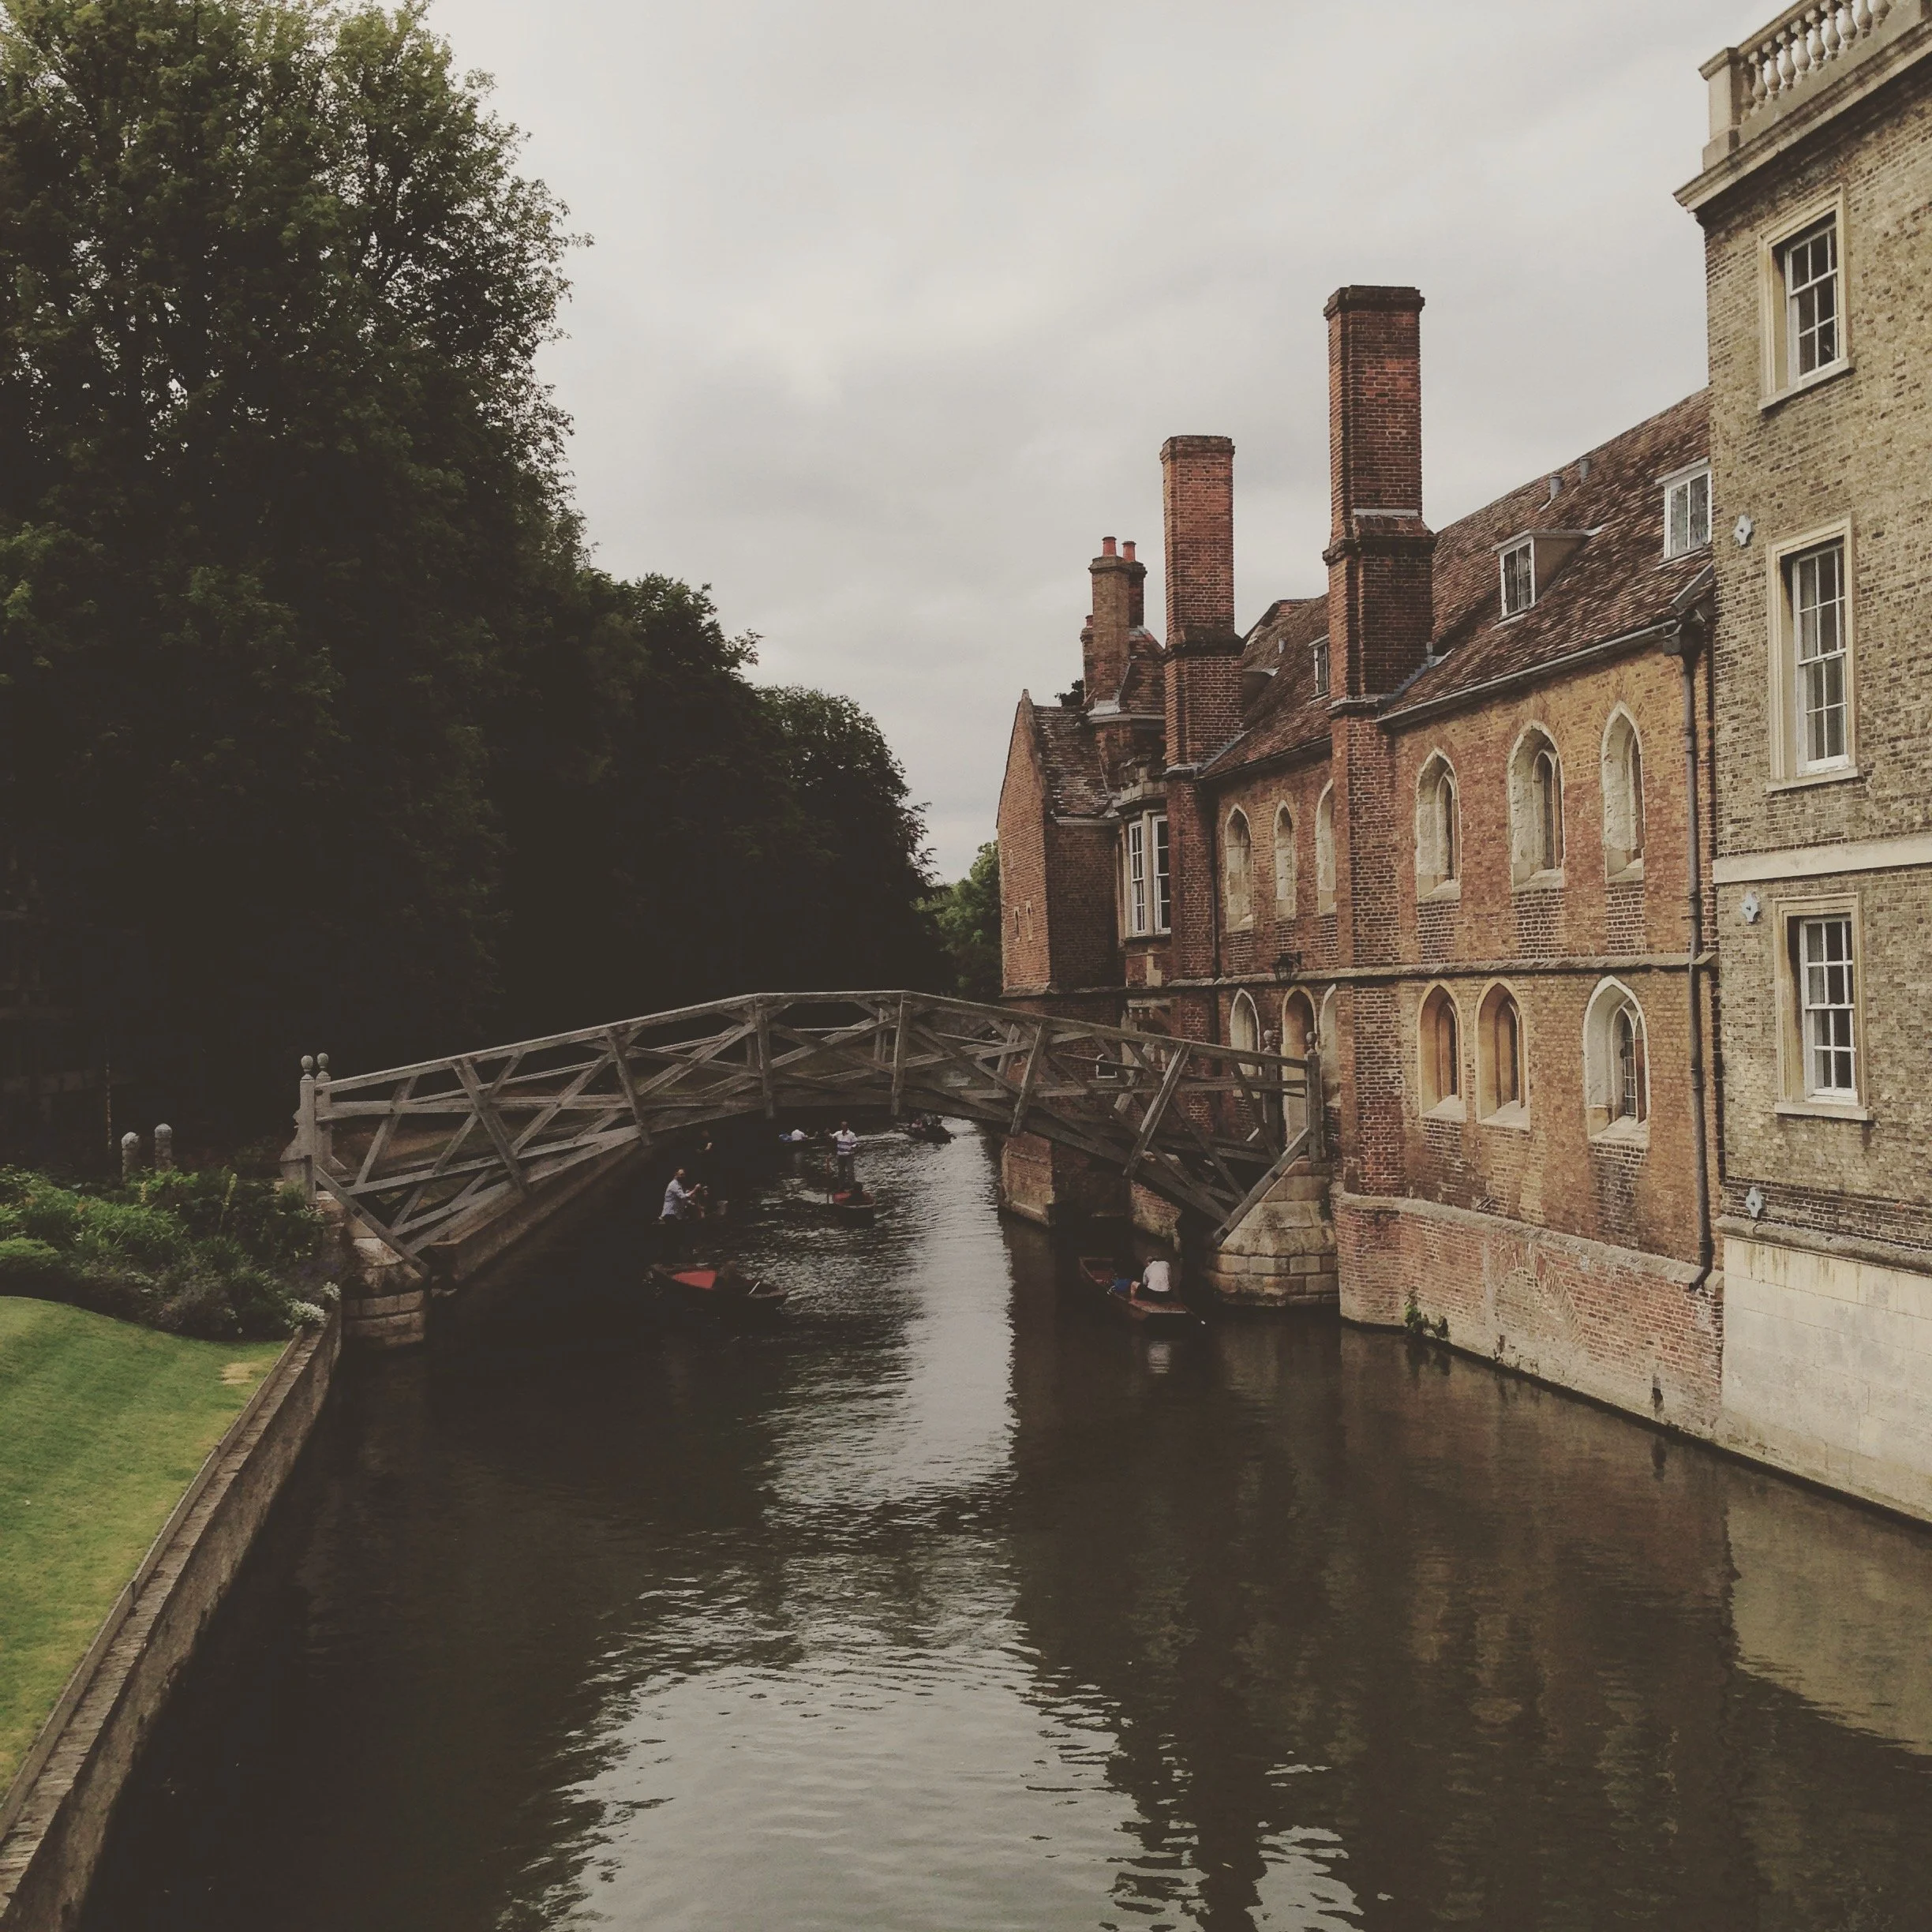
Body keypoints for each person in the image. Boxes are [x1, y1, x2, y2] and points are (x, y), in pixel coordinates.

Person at [661, 1167, 699, 1258]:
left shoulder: (679, 1185)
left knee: (678, 1234)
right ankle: (670, 1257)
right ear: (676, 1175)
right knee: (673, 1235)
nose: (683, 1176)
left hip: (676, 1214)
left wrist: (691, 1203)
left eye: (684, 1175)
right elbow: (682, 1197)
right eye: (681, 1174)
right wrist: (695, 1189)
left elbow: (682, 1200)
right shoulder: (674, 1184)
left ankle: (677, 1255)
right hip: (670, 1213)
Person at [833, 1121, 859, 1189]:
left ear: (847, 1127)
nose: (843, 1127)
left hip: (848, 1155)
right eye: (842, 1126)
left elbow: (856, 1143)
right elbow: (832, 1137)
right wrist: (828, 1134)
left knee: (850, 1171)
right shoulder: (838, 1133)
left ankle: (853, 1186)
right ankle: (841, 1186)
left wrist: (852, 1147)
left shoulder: (851, 1134)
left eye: (845, 1126)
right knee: (841, 1172)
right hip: (841, 1155)